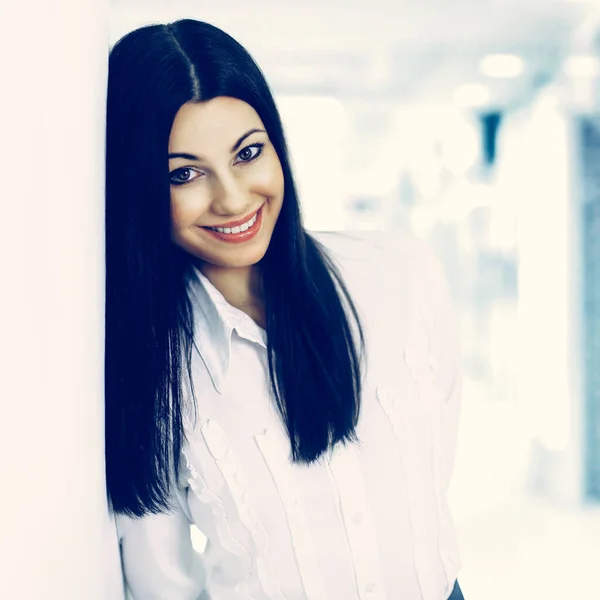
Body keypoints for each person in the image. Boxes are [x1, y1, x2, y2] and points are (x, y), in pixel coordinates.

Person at [105, 18, 465, 600]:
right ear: (140, 188)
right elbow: (162, 584)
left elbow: (432, 471)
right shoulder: (147, 366)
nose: (232, 197)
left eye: (248, 153)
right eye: (185, 173)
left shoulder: (400, 274)